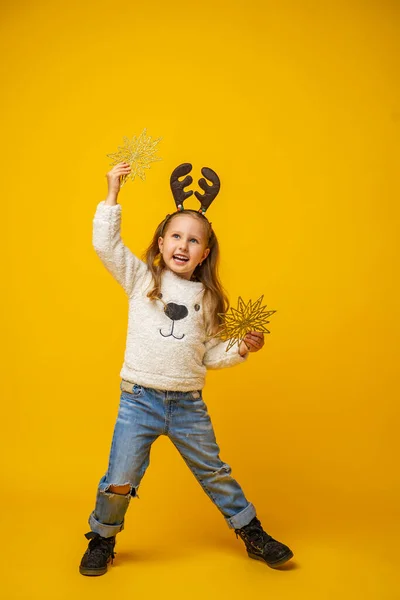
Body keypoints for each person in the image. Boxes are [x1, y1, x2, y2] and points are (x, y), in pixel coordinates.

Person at [79, 161, 294, 576]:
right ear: (161, 243)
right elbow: (106, 245)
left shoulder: (209, 299)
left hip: (188, 405)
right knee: (120, 477)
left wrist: (243, 346)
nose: (183, 244)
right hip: (139, 400)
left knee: (215, 472)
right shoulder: (141, 280)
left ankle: (251, 532)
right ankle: (102, 539)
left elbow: (210, 355)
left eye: (194, 240)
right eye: (176, 236)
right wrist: (112, 194)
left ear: (205, 252)